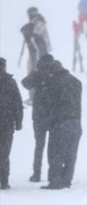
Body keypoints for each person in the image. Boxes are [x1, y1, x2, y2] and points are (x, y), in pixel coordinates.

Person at [41, 59, 83, 190]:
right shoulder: (76, 81)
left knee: (55, 153)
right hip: (76, 122)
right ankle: (67, 179)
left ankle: (55, 181)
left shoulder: (54, 83)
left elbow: (48, 102)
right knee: (71, 154)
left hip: (60, 122)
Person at [22, 54, 55, 183]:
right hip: (53, 116)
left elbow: (25, 83)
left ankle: (37, 174)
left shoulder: (37, 74)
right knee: (53, 146)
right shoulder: (55, 75)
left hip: (39, 116)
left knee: (39, 146)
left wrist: (35, 74)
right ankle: (53, 173)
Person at [0, 58, 23, 190]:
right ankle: (3, 180)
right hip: (7, 123)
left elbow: (18, 104)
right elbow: (18, 104)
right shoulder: (10, 82)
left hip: (7, 123)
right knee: (4, 152)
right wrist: (18, 121)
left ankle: (3, 180)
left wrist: (18, 121)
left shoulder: (10, 82)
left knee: (3, 152)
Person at [20, 7, 52, 75]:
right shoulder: (34, 22)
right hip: (36, 48)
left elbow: (36, 34)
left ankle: (36, 78)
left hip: (39, 47)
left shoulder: (39, 21)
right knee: (32, 64)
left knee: (37, 65)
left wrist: (28, 33)